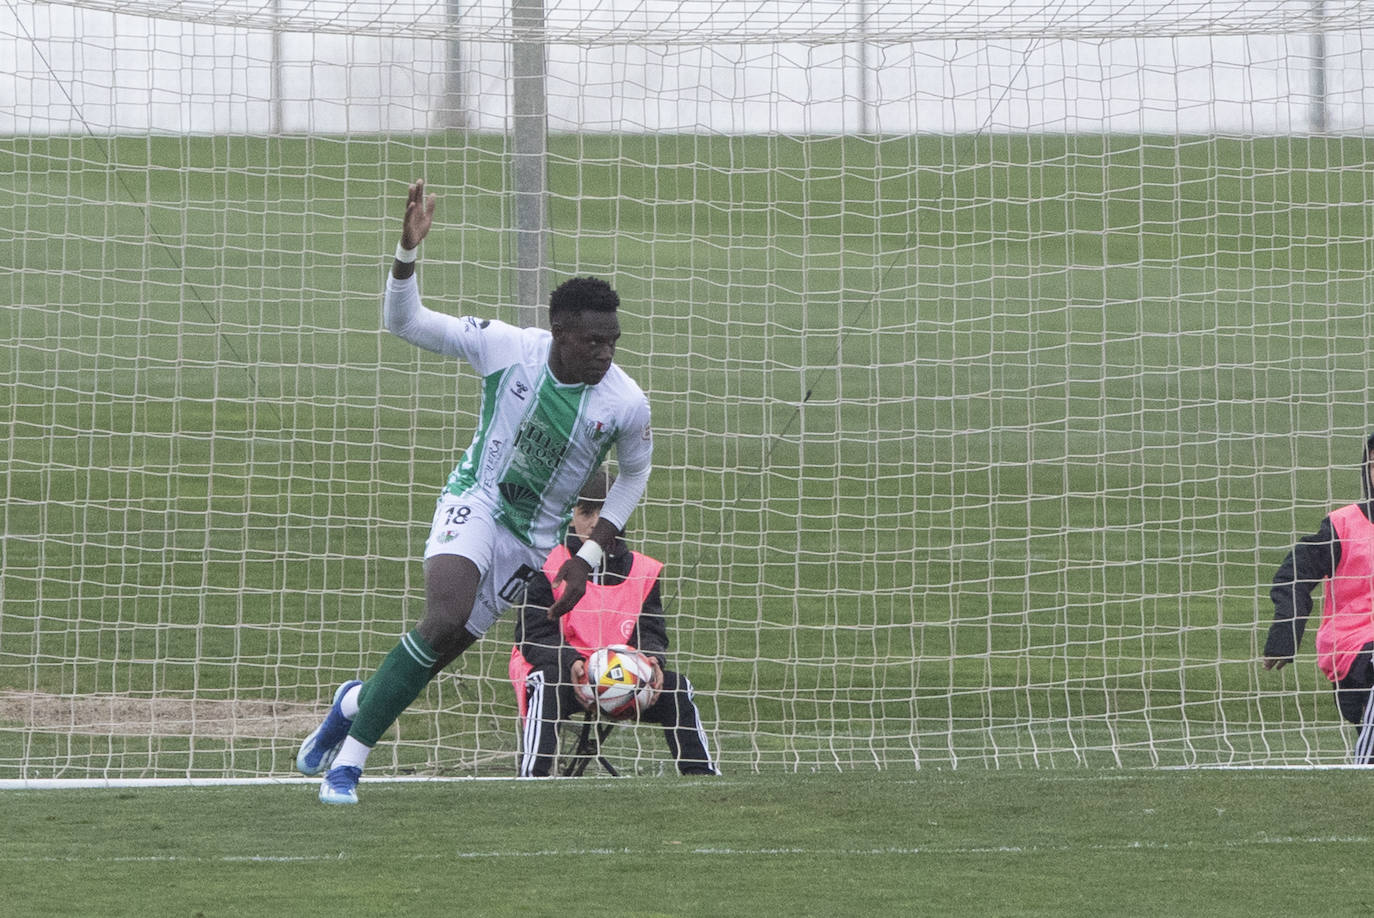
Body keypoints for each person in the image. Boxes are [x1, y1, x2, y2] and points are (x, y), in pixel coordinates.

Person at [294, 179, 654, 804]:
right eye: (592, 341)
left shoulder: (625, 402)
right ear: (558, 332)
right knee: (444, 615)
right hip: (477, 499)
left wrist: (585, 557)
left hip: (532, 538)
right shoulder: (506, 348)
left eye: (612, 341)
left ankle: (354, 703)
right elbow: (403, 322)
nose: (604, 352)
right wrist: (407, 254)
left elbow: (635, 474)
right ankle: (347, 767)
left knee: (439, 650)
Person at [509, 467, 719, 777]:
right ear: (570, 516)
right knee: (546, 680)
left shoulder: (643, 571)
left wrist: (652, 659)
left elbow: (651, 631)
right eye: (585, 513)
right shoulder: (548, 561)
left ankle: (702, 776)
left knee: (677, 688)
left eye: (603, 513)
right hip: (566, 670)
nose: (594, 523)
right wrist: (571, 662)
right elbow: (531, 634)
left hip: (620, 677)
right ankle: (533, 777)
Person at [1264, 432, 1374, 763]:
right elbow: (1294, 574)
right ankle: (1364, 763)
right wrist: (1285, 631)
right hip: (1353, 648)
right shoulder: (1343, 525)